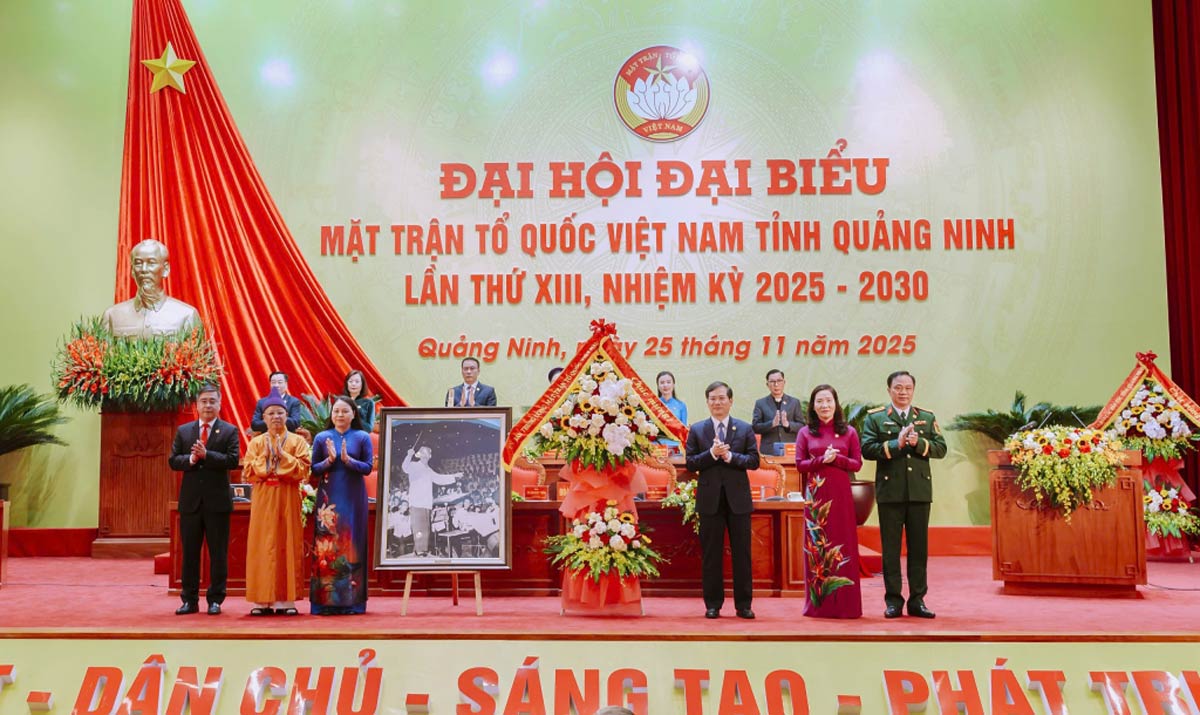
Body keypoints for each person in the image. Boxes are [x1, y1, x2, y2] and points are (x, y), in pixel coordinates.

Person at [860, 370, 947, 619]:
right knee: (890, 550)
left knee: (919, 550)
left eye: (908, 388)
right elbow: (867, 448)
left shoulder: (926, 418)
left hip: (919, 492)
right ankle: (893, 601)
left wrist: (918, 443)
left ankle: (917, 600)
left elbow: (941, 449)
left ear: (913, 390)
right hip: (890, 492)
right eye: (898, 388)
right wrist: (895, 445)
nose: (903, 392)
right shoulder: (876, 418)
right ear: (889, 390)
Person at [685, 381, 759, 620]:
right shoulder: (697, 430)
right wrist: (711, 454)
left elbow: (753, 461)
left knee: (742, 555)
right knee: (711, 555)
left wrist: (728, 456)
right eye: (712, 399)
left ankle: (744, 605)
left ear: (730, 401)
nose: (717, 402)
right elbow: (691, 463)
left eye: (721, 398)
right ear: (707, 402)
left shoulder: (745, 428)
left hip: (738, 500)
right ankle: (713, 604)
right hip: (709, 501)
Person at [167, 385, 239, 615]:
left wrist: (207, 456)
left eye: (212, 401)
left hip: (217, 502)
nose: (208, 405)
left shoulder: (229, 431)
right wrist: (190, 459)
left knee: (218, 553)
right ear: (196, 405)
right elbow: (173, 460)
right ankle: (189, 600)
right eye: (204, 401)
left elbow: (232, 460)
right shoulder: (184, 431)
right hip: (191, 502)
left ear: (219, 405)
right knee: (189, 553)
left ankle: (215, 599)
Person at [794, 384, 862, 619]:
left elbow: (857, 464)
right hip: (816, 495)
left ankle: (846, 605)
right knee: (818, 545)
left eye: (829, 401)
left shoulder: (849, 432)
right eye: (820, 401)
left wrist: (838, 459)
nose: (825, 406)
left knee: (843, 544)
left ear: (836, 404)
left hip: (841, 494)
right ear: (813, 406)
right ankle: (818, 604)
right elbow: (799, 464)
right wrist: (822, 460)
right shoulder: (805, 432)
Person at [243, 388, 311, 616]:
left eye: (280, 413)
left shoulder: (297, 442)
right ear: (263, 417)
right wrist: (266, 457)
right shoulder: (256, 443)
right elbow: (249, 471)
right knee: (262, 546)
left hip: (287, 499)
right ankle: (261, 600)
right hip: (263, 501)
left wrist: (283, 456)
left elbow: (303, 470)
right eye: (271, 413)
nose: (275, 417)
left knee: (287, 544)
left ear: (287, 416)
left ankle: (286, 600)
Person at [310, 395, 374, 614]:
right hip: (329, 499)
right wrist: (329, 461)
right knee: (327, 546)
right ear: (331, 414)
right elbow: (313, 469)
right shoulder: (321, 437)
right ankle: (325, 602)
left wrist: (348, 461)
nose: (339, 415)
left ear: (353, 414)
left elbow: (367, 467)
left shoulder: (362, 437)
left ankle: (353, 602)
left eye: (344, 411)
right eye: (336, 411)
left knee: (352, 543)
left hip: (354, 497)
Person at [103, 238, 200, 338]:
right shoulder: (113, 316)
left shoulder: (186, 316)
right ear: (132, 270)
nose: (144, 269)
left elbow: (198, 352)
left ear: (166, 269)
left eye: (151, 263)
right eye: (138, 263)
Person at [402, 445, 464, 556]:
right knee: (419, 529)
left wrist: (455, 476)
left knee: (426, 530)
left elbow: (439, 479)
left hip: (426, 504)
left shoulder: (428, 469)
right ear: (420, 455)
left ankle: (422, 552)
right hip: (417, 504)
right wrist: (408, 455)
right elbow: (405, 468)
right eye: (424, 452)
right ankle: (420, 552)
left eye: (428, 453)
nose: (427, 455)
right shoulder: (414, 465)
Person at [751, 369, 804, 455]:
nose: (776, 384)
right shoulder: (760, 403)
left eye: (779, 381)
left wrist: (788, 425)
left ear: (784, 382)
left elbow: (801, 426)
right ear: (767, 384)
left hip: (790, 450)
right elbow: (755, 427)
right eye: (772, 381)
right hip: (769, 450)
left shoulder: (794, 402)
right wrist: (771, 424)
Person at [656, 370, 687, 453]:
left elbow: (683, 430)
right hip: (657, 446)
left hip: (675, 446)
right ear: (658, 386)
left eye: (668, 382)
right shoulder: (652, 404)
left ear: (673, 384)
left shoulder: (681, 405)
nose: (665, 385)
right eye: (662, 383)